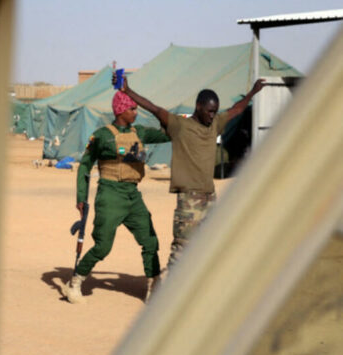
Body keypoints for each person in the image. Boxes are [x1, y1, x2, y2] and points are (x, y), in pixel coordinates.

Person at [119, 76, 266, 267]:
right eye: (209, 111)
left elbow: (237, 109)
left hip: (209, 198)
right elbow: (154, 108)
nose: (213, 115)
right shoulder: (180, 126)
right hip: (189, 201)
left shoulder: (215, 124)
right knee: (181, 249)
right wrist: (128, 91)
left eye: (215, 111)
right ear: (198, 107)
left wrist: (253, 92)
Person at [66, 90, 170, 304]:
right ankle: (76, 282)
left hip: (133, 195)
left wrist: (163, 115)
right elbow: (85, 165)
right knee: (103, 246)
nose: (136, 113)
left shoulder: (139, 132)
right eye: (133, 109)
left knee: (150, 240)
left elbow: (167, 134)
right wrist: (81, 197)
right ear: (121, 111)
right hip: (110, 195)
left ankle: (154, 286)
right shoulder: (102, 135)